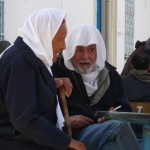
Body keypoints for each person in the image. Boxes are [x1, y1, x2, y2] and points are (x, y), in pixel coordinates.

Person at [0, 8, 86, 150]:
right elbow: (25, 120)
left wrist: (52, 82)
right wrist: (68, 142)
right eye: (60, 40)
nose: (64, 46)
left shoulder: (30, 56)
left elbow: (22, 89)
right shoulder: (19, 63)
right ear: (44, 36)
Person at [52, 25, 140, 150]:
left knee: (112, 146)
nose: (85, 57)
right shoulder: (57, 71)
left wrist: (115, 114)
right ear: (71, 49)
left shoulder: (111, 75)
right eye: (80, 50)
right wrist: (66, 121)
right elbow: (41, 113)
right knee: (119, 127)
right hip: (71, 136)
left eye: (91, 50)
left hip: (106, 133)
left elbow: (125, 108)